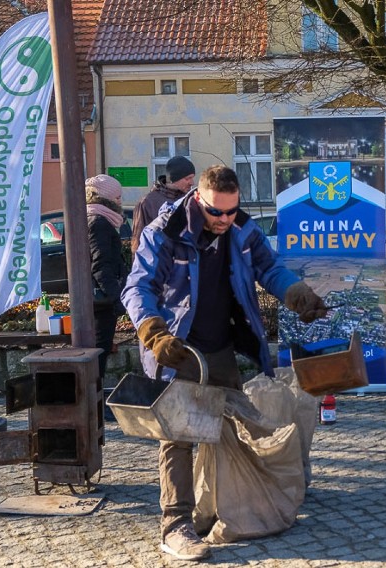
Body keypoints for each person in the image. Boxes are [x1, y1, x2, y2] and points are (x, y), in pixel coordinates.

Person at [121, 164, 327, 562]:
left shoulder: (242, 229)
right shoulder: (165, 231)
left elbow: (270, 268)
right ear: (199, 198)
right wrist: (152, 331)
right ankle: (175, 526)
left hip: (219, 346)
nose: (224, 220)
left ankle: (233, 500)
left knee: (236, 425)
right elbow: (138, 285)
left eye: (231, 211)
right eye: (216, 212)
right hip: (177, 347)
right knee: (178, 437)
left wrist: (298, 295)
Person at [85, 174, 128, 379]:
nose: (120, 202)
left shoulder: (89, 217)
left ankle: (95, 400)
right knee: (99, 352)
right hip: (101, 301)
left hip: (96, 299)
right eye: (117, 198)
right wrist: (116, 298)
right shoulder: (98, 222)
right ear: (105, 198)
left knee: (97, 352)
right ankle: (95, 403)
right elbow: (101, 265)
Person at [131, 155, 197, 256]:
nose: (192, 183)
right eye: (188, 178)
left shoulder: (189, 199)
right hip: (159, 263)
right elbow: (138, 241)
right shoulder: (148, 202)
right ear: (174, 178)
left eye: (192, 178)